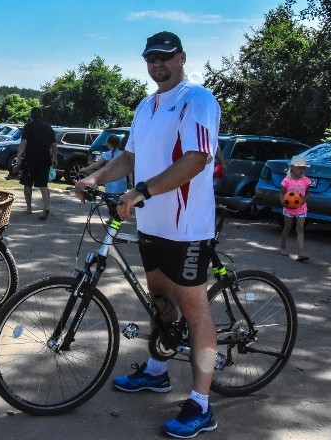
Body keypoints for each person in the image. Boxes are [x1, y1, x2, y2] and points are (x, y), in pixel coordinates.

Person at [75, 31, 221, 438]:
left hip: (187, 225)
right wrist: (96, 177)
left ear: (181, 58)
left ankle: (202, 405)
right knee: (159, 302)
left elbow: (196, 159)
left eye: (165, 57)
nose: (157, 64)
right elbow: (130, 156)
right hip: (152, 223)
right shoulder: (146, 105)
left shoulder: (198, 100)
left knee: (194, 312)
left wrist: (142, 190)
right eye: (151, 58)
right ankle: (158, 370)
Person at [14, 107, 58, 220]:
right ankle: (46, 207)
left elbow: (24, 142)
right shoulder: (48, 127)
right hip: (45, 159)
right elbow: (54, 144)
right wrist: (55, 158)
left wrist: (18, 157)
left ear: (31, 116)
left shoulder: (28, 126)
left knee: (27, 184)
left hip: (30, 160)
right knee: (43, 185)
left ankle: (29, 208)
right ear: (41, 115)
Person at [279, 155, 312, 262]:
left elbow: (307, 193)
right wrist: (282, 201)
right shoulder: (287, 180)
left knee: (300, 229)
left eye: (303, 168)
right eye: (299, 167)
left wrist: (304, 200)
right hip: (289, 208)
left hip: (301, 208)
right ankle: (282, 247)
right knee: (287, 227)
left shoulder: (306, 181)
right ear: (292, 167)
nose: (301, 169)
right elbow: (282, 193)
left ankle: (301, 253)